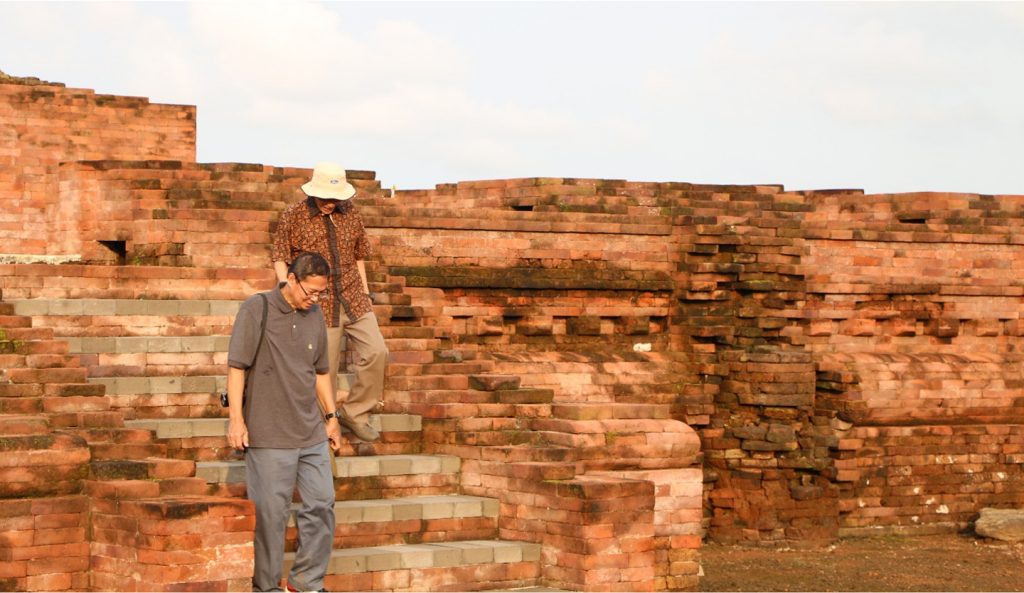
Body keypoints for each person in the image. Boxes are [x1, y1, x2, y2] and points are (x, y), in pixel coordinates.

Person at [226, 251, 342, 592]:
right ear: (291, 279)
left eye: (321, 293)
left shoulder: (315, 313)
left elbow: (320, 372)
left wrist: (332, 417)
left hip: (310, 431)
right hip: (268, 433)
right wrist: (236, 420)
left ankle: (306, 583)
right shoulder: (257, 308)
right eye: (310, 291)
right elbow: (236, 367)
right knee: (270, 517)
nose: (315, 298)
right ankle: (267, 587)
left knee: (322, 503)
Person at [271, 162, 387, 443]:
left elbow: (359, 256)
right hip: (317, 304)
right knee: (326, 368)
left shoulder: (351, 214)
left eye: (335, 198)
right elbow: (280, 257)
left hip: (353, 298)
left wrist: (366, 293)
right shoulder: (294, 215)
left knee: (378, 353)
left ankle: (356, 412)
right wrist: (289, 292)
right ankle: (325, 424)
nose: (331, 203)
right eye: (325, 197)